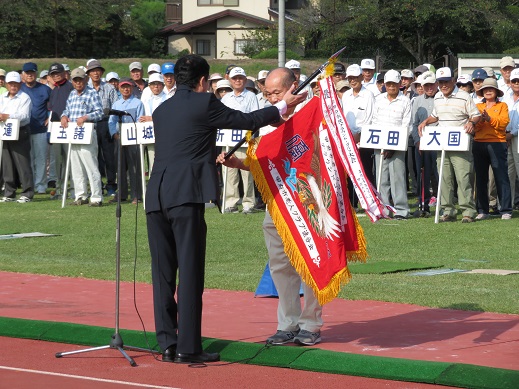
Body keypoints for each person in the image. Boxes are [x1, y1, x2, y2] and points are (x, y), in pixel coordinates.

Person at [145, 54, 306, 364]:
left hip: (156, 195)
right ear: (204, 82)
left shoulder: (162, 109)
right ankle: (188, 346)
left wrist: (275, 112)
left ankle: (167, 342)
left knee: (163, 273)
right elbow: (245, 121)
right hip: (185, 196)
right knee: (189, 272)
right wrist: (283, 106)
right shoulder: (204, 103)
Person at [218, 67, 323, 347]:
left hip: (308, 199)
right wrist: (238, 163)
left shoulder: (313, 113)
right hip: (276, 201)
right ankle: (287, 323)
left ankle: (311, 323)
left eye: (277, 92)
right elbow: (263, 162)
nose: (272, 97)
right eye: (267, 93)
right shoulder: (266, 118)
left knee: (310, 261)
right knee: (280, 263)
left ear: (294, 87)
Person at [418, 67, 481, 223]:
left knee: (463, 178)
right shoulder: (438, 97)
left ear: (453, 80)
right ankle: (448, 211)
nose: (443, 85)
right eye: (440, 82)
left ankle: (468, 211)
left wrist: (471, 122)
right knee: (444, 179)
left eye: (446, 81)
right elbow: (435, 115)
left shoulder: (464, 96)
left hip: (460, 143)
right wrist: (426, 121)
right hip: (443, 143)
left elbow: (476, 114)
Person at [60, 68, 104, 207]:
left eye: (80, 80)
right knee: (76, 167)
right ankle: (81, 195)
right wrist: (64, 116)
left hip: (88, 133)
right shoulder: (72, 94)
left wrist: (86, 117)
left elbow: (100, 113)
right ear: (72, 81)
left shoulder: (92, 93)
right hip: (74, 134)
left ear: (85, 80)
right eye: (75, 80)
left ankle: (96, 197)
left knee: (91, 165)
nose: (78, 83)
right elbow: (67, 109)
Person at [372, 69, 412, 219]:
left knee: (398, 178)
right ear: (385, 85)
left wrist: (393, 146)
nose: (391, 87)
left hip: (397, 146)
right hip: (380, 144)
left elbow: (406, 125)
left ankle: (401, 210)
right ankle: (384, 209)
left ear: (399, 84)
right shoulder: (379, 99)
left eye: (394, 84)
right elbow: (374, 121)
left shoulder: (405, 100)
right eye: (388, 84)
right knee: (381, 179)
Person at [220, 66, 259, 214]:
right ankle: (231, 202)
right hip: (228, 139)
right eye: (235, 78)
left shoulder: (251, 96)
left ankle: (248, 203)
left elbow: (255, 118)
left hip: (245, 139)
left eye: (240, 78)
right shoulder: (226, 98)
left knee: (246, 171)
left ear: (245, 79)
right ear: (229, 80)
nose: (238, 81)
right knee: (229, 172)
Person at [472, 78, 512, 220]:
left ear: (496, 91)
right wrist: (482, 121)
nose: (488, 91)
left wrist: (489, 119)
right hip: (478, 143)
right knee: (481, 178)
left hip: (497, 143)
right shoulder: (477, 106)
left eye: (491, 89)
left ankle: (506, 210)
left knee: (501, 176)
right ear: (482, 92)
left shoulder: (503, 106)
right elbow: (473, 127)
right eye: (485, 89)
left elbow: (503, 124)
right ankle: (482, 210)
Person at [108, 77, 144, 205]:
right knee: (120, 167)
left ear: (132, 87)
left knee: (134, 168)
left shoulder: (138, 103)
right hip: (119, 139)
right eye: (123, 87)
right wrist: (114, 134)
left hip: (133, 139)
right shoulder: (116, 104)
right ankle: (122, 195)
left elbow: (140, 120)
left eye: (128, 86)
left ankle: (136, 195)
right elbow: (111, 121)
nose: (126, 89)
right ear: (119, 88)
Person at [86, 59, 119, 197]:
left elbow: (115, 107)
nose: (96, 73)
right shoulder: (86, 89)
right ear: (89, 73)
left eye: (98, 70)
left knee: (109, 157)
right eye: (93, 71)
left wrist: (113, 128)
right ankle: (97, 186)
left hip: (106, 123)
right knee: (93, 157)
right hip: (91, 125)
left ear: (101, 72)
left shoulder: (109, 88)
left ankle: (111, 185)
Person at [0, 71, 33, 203]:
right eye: (11, 83)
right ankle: (9, 192)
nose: (13, 86)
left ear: (20, 84)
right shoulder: (2, 97)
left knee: (22, 163)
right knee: (7, 164)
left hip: (20, 131)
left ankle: (27, 192)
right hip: (5, 131)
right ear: (7, 84)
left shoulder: (25, 98)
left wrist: (8, 116)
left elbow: (25, 117)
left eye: (16, 83)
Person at [342, 64, 376, 190]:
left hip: (364, 140)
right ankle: (353, 201)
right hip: (348, 139)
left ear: (361, 77)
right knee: (351, 171)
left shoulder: (368, 95)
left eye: (355, 77)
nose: (352, 81)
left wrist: (360, 134)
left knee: (366, 170)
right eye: (350, 78)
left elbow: (371, 118)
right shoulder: (346, 95)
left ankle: (371, 199)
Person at [410, 71, 439, 217]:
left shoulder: (442, 98)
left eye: (431, 84)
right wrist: (417, 141)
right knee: (423, 176)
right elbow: (413, 124)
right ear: (422, 86)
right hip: (422, 143)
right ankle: (424, 204)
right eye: (426, 85)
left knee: (440, 174)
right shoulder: (417, 100)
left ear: (436, 84)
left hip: (440, 142)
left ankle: (443, 206)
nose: (429, 88)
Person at [21, 62, 52, 195]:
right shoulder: (20, 88)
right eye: (27, 73)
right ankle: (29, 184)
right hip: (23, 130)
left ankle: (41, 185)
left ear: (36, 73)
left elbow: (53, 106)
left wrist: (49, 118)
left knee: (40, 159)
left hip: (40, 129)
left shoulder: (45, 89)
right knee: (27, 159)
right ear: (23, 75)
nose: (30, 75)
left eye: (32, 72)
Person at [47, 63, 74, 197]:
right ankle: (59, 189)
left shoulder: (70, 87)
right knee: (57, 161)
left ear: (64, 73)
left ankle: (73, 189)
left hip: (69, 127)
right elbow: (52, 111)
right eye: (53, 74)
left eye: (58, 73)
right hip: (57, 129)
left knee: (70, 160)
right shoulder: (54, 90)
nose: (56, 75)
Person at [140, 73, 167, 176]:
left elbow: (169, 117)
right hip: (150, 134)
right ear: (149, 86)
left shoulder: (168, 98)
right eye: (153, 84)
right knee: (152, 160)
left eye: (158, 84)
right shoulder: (146, 100)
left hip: (165, 135)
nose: (156, 86)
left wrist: (151, 118)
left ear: (162, 85)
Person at [504, 68, 519, 211]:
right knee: (508, 172)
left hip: (517, 137)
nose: (516, 83)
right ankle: (508, 205)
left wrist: (512, 133)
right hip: (506, 138)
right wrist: (505, 133)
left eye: (518, 81)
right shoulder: (506, 96)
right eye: (514, 81)